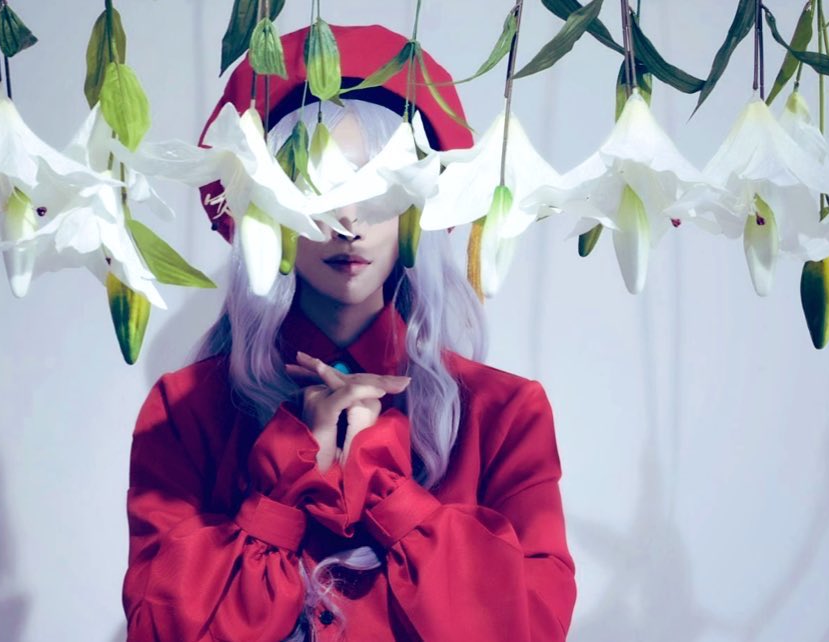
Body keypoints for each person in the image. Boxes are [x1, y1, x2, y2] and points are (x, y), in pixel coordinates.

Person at [122, 23, 576, 642]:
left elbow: (530, 628)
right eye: (317, 184)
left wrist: (388, 487)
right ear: (268, 204)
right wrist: (284, 481)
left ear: (420, 204)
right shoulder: (184, 410)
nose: (348, 220)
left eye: (379, 184)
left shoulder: (504, 414)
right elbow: (160, 632)